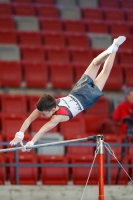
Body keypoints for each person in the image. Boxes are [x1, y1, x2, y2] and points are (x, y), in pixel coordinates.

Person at [10, 36, 126, 151]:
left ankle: (113, 48)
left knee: (104, 72)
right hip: (78, 91)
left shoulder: (58, 116)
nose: (41, 115)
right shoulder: (47, 104)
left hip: (85, 98)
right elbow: (29, 119)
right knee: (95, 64)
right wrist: (19, 135)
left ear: (54, 109)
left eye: (44, 114)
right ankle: (112, 48)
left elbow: (43, 129)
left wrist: (31, 143)